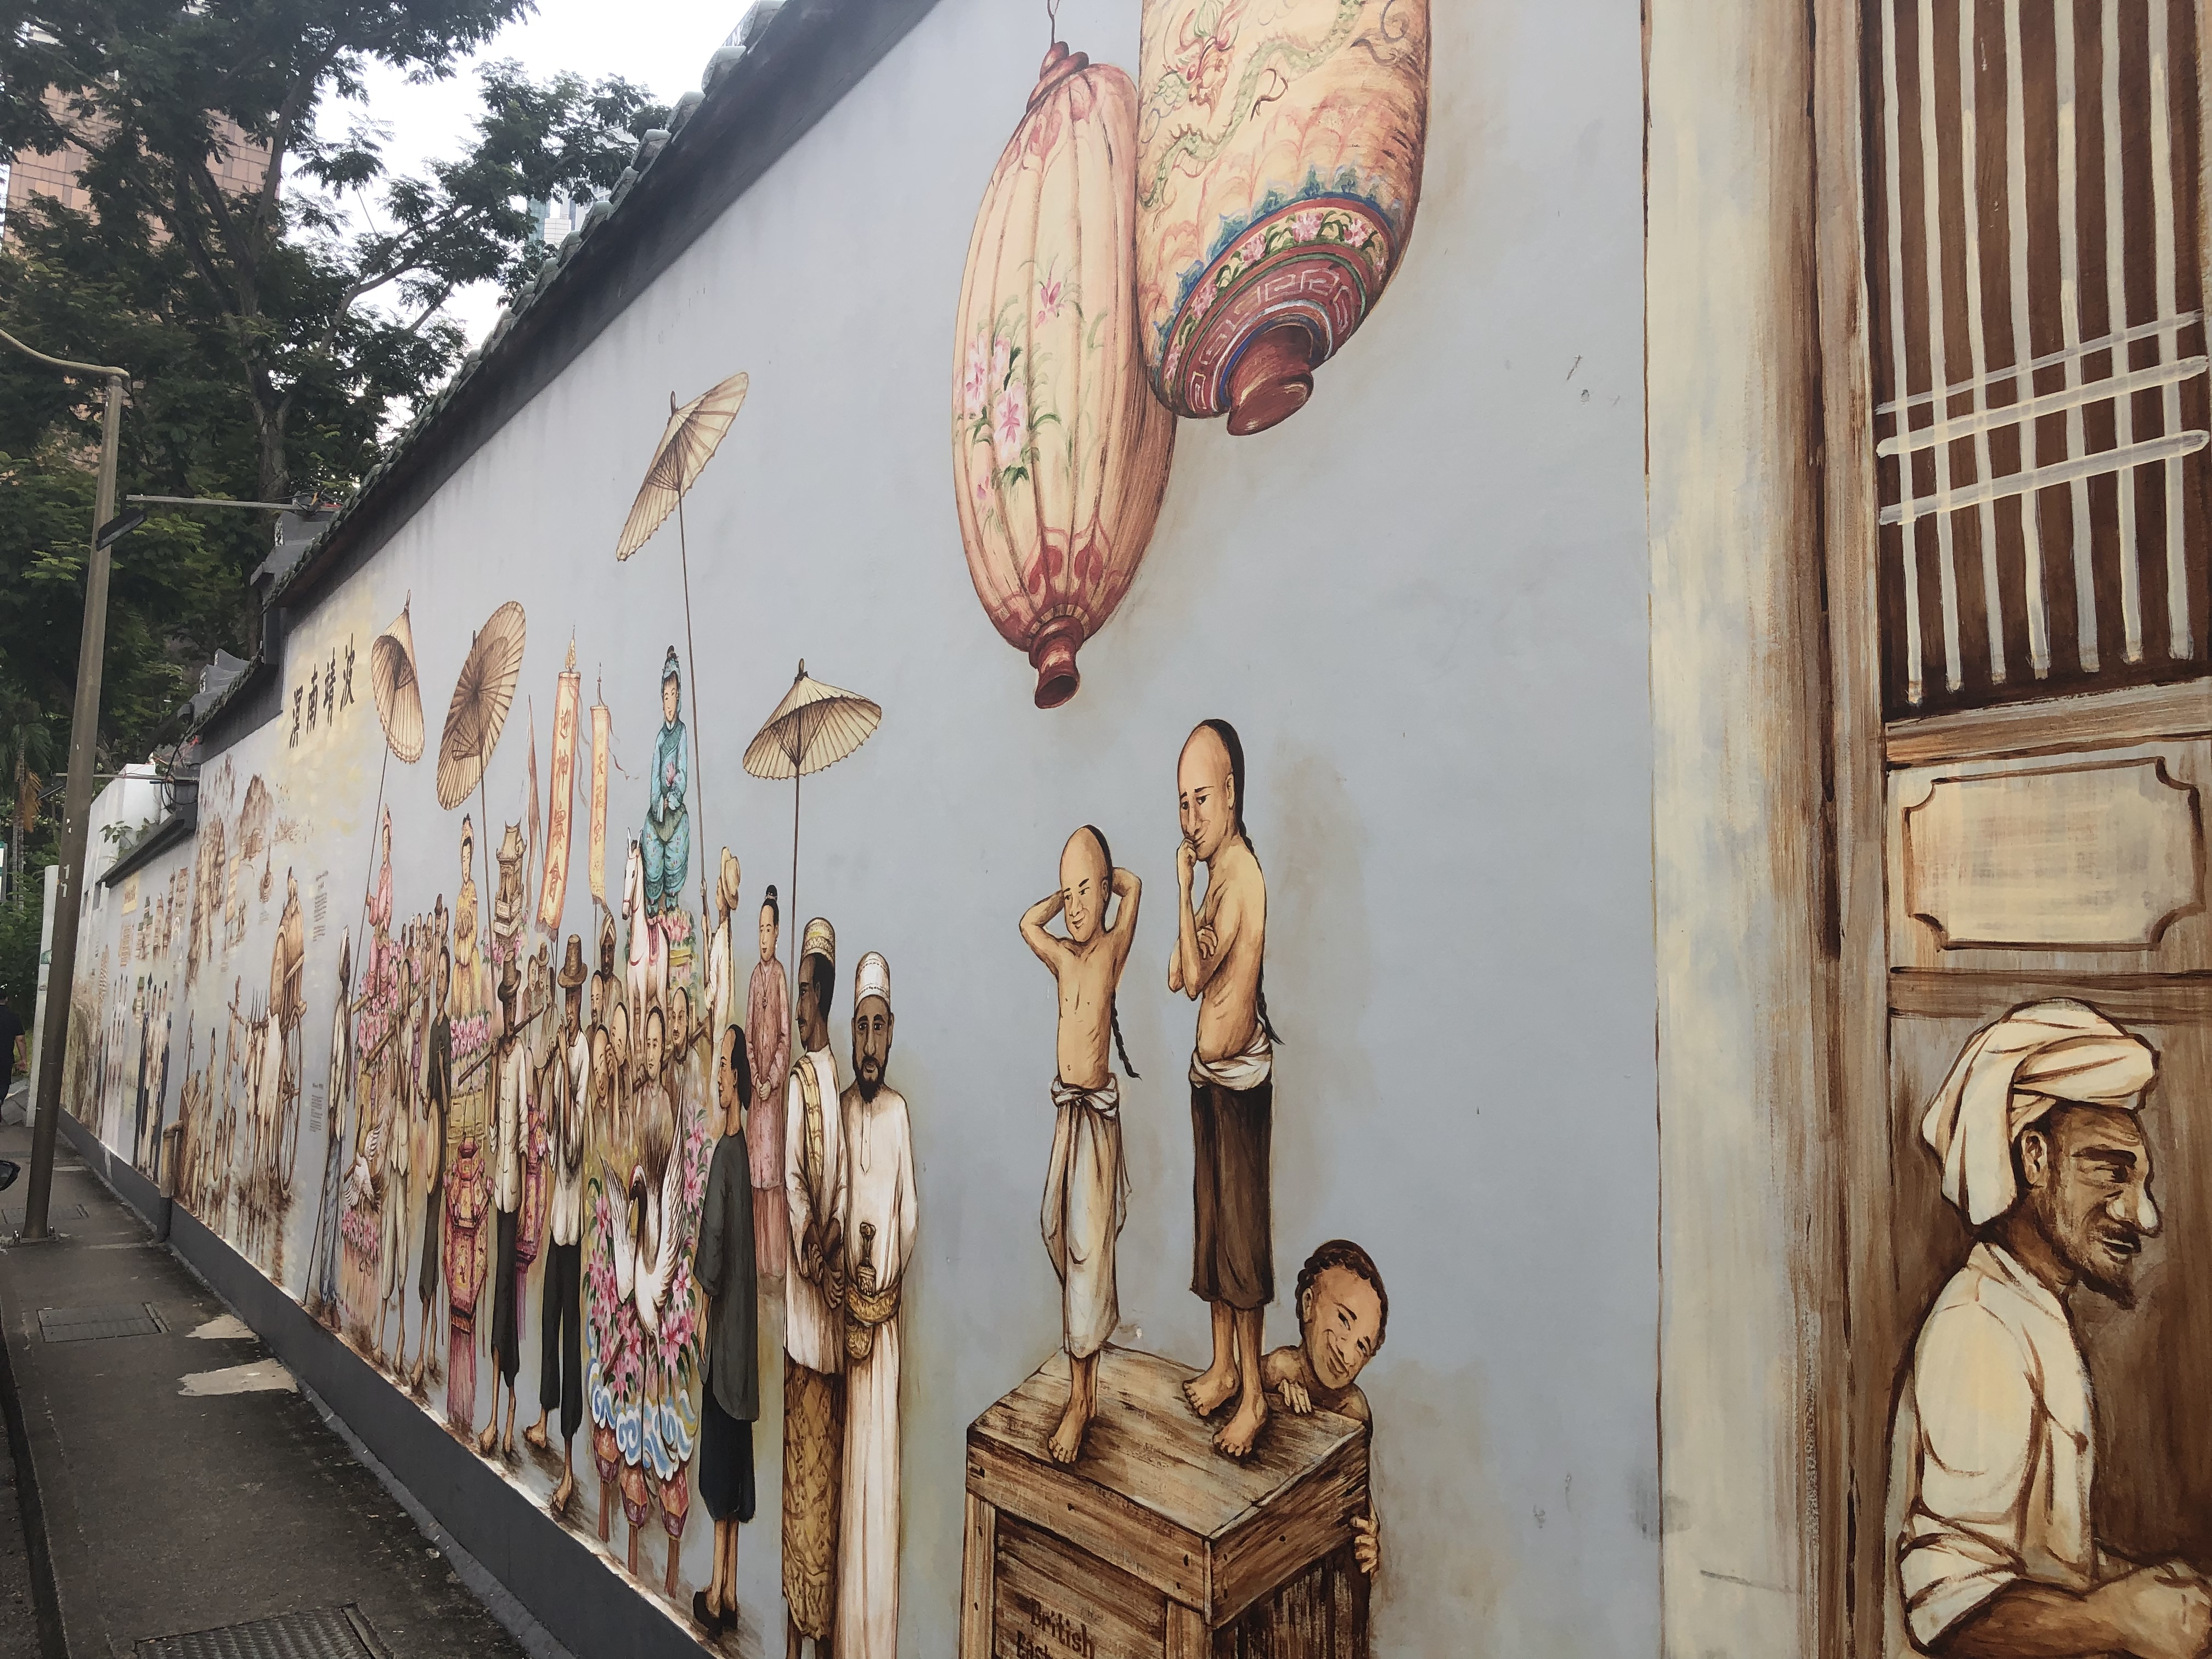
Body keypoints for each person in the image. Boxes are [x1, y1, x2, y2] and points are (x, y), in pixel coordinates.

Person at [1887, 1000, 2210, 1658]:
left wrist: (2136, 1588)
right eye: (2112, 1172)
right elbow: (1951, 1611)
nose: (2144, 1216)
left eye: (2141, 1181)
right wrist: (2121, 1619)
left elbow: (2037, 1560)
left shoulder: (2028, 1308)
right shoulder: (1979, 1327)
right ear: (2034, 1158)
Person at [1169, 719, 1278, 1459]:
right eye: (1182, 804)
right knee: (1212, 1234)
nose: (1191, 819)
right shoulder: (1215, 880)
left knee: (1241, 1245)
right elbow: (1183, 971)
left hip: (1240, 1087)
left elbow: (1194, 975)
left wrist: (1182, 895)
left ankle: (1256, 1396)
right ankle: (1222, 1368)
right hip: (1208, 1079)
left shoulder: (1240, 879)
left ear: (1232, 794)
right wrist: (1190, 913)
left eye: (1201, 800)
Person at [1020, 826, 1141, 1464]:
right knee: (1055, 1228)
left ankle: (1080, 1398)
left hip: (1096, 1122)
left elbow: (1135, 887)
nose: (1073, 907)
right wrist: (1065, 892)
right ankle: (1084, 1384)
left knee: (1088, 1250)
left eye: (1085, 893)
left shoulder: (1110, 951)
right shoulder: (1066, 957)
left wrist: (1105, 876)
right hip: (1069, 1115)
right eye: (1068, 895)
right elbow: (1027, 924)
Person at [836, 952, 916, 1659]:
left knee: (879, 1487)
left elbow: (907, 1218)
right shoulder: (838, 1113)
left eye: (878, 1027)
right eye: (860, 1027)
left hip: (881, 1334)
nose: (868, 1043)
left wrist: (879, 1285)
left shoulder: (897, 1115)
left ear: (891, 1034)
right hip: (843, 1331)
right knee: (844, 1494)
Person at [783, 917, 847, 1659]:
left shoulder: (834, 1082)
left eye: (803, 992)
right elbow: (796, 1186)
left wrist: (833, 1243)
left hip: (835, 1330)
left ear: (821, 996)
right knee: (801, 1491)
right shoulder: (801, 1084)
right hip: (805, 1326)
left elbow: (842, 1185)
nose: (797, 1007)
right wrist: (814, 1250)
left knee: (825, 1498)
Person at [1261, 1240, 1388, 1576]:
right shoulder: (1278, 1368)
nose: (1347, 1354)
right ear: (1308, 1305)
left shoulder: (1355, 1412)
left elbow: (1359, 1493)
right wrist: (1276, 1399)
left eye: (1363, 1346)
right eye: (1344, 1320)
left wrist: (1370, 1536)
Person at [694, 1025, 759, 1637]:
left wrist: (698, 1307)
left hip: (724, 1348)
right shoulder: (745, 1157)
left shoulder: (724, 1157)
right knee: (738, 1470)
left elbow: (711, 1247)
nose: (717, 1076)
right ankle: (733, 1587)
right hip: (747, 1356)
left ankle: (716, 1592)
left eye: (722, 1066)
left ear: (736, 1078)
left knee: (718, 1474)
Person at [526, 935, 591, 1514]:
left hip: (577, 1225)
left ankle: (571, 1466)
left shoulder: (585, 1052)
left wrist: (565, 1083)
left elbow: (572, 1149)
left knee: (571, 1338)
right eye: (565, 996)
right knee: (549, 1320)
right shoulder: (561, 1046)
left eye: (574, 997)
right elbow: (544, 1129)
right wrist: (546, 1071)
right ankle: (543, 1420)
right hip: (557, 1217)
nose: (569, 1006)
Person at [479, 957, 529, 1460]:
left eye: (514, 1005)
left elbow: (526, 1133)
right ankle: (497, 1409)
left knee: (507, 1299)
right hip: (500, 1190)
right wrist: (494, 1071)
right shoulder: (500, 1057)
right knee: (499, 1295)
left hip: (517, 1196)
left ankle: (507, 1407)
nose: (511, 1013)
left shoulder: (524, 1059)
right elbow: (495, 1126)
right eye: (506, 1006)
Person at [407, 940, 453, 1397]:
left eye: (444, 975)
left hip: (444, 1162)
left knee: (435, 1245)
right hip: (431, 1156)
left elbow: (448, 1099)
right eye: (436, 975)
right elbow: (430, 1103)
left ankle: (426, 1346)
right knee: (428, 1242)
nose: (439, 983)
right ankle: (424, 1342)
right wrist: (427, 1092)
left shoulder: (449, 1031)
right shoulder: (433, 1027)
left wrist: (440, 1071)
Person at [306, 933, 356, 1327]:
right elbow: (338, 1069)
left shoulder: (348, 1010)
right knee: (331, 1208)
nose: (347, 969)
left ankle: (330, 1293)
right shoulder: (342, 1012)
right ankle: (326, 1293)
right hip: (338, 1122)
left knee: (336, 1209)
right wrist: (337, 1114)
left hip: (343, 1120)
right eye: (346, 964)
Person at [747, 886, 792, 1279]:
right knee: (755, 1180)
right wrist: (754, 1075)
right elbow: (748, 1036)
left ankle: (774, 1264)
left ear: (777, 933)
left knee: (773, 1178)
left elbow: (784, 1039)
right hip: (755, 1095)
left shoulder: (779, 977)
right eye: (759, 930)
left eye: (768, 930)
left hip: (772, 1100)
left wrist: (772, 1080)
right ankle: (756, 1261)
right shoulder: (754, 979)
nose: (763, 938)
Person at [643, 648, 690, 922]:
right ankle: (652, 902)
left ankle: (671, 899)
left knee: (676, 851)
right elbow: (654, 779)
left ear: (679, 697)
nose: (669, 703)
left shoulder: (682, 733)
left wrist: (673, 796)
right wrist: (658, 802)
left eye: (673, 695)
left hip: (674, 809)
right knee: (651, 854)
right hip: (659, 810)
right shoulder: (660, 739)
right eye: (665, 696)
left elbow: (682, 773)